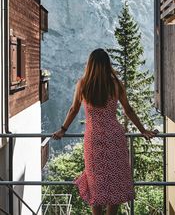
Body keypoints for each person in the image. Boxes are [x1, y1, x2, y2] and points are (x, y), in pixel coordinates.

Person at [52, 48, 158, 215]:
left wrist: (62, 130)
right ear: (107, 65)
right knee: (114, 181)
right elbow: (128, 110)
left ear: (90, 65)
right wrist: (143, 130)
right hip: (114, 137)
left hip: (93, 139)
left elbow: (73, 109)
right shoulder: (115, 84)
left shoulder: (83, 84)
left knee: (95, 183)